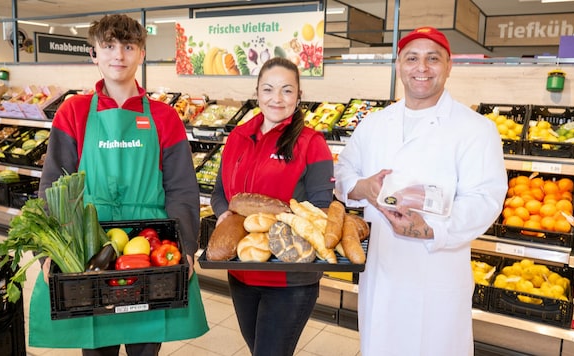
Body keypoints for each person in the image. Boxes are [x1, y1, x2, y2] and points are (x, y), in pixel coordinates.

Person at [28, 14, 208, 355]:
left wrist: (185, 246)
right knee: (97, 347)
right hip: (89, 247)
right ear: (94, 54)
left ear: (141, 53)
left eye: (128, 46)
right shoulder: (73, 112)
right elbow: (53, 184)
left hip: (151, 248)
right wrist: (47, 252)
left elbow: (182, 188)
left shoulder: (164, 117)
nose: (119, 55)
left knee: (145, 345)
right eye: (108, 46)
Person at [334, 27, 507, 355]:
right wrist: (362, 187)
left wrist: (431, 229)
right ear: (399, 65)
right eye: (412, 58)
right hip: (382, 269)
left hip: (437, 271)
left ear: (449, 65)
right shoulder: (374, 123)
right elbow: (343, 170)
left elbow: (486, 198)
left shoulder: (476, 129)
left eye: (433, 58)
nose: (422, 67)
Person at [210, 57, 335, 356]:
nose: (276, 98)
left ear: (299, 95)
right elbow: (219, 193)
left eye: (287, 90)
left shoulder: (311, 143)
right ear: (257, 92)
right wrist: (223, 214)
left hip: (289, 277)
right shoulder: (238, 137)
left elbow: (319, 207)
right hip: (241, 271)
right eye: (268, 89)